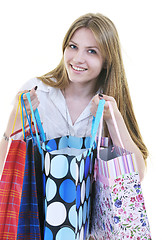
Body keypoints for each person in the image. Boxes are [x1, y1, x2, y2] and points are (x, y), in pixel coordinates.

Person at [0, 13, 147, 183]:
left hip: (92, 209)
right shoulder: (36, 92)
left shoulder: (109, 104)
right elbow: (4, 169)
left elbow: (135, 177)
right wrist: (15, 120)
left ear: (107, 61)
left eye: (91, 51)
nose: (77, 59)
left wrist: (113, 120)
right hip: (37, 209)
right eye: (73, 46)